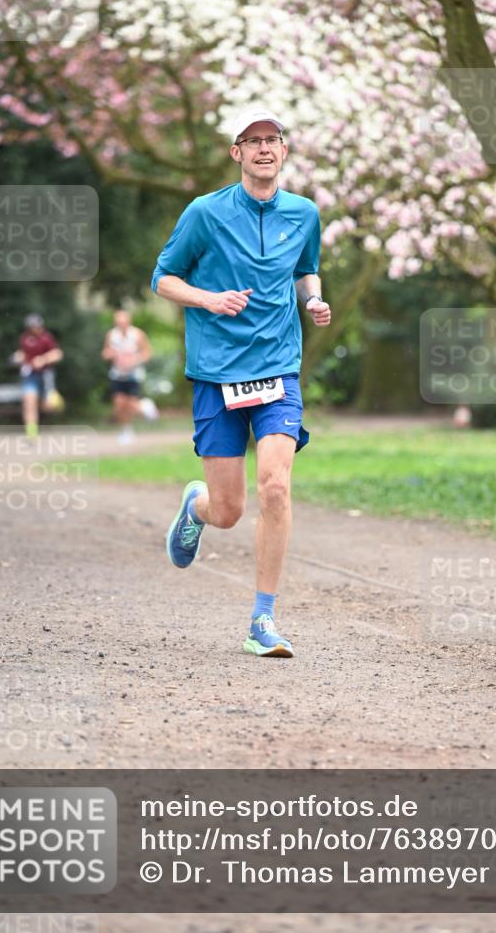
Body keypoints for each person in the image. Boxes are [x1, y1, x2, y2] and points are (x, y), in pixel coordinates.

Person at [151, 108, 331, 658]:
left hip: (278, 367)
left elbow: (305, 269)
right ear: (236, 153)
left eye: (271, 140)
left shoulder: (303, 213)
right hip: (217, 373)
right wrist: (209, 300)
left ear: (284, 150)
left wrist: (313, 298)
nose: (263, 149)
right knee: (228, 511)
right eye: (251, 142)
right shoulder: (204, 213)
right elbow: (163, 278)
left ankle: (262, 619)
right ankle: (197, 507)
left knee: (276, 486)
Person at [102, 309, 159, 445]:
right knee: (119, 404)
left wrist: (134, 360)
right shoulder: (111, 335)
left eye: (124, 322)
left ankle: (146, 406)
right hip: (117, 374)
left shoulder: (137, 334)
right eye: (118, 323)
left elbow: (148, 352)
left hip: (134, 374)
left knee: (131, 405)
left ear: (129, 322)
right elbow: (105, 352)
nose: (121, 325)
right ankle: (126, 431)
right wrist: (111, 354)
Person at [11, 313, 64, 439]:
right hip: (30, 375)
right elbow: (24, 354)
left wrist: (43, 359)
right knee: (29, 402)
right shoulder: (24, 338)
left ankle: (57, 402)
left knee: (48, 406)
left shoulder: (46, 338)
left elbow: (58, 354)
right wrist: (18, 357)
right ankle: (31, 433)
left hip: (46, 375)